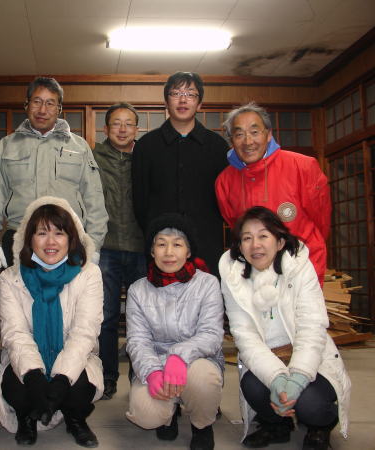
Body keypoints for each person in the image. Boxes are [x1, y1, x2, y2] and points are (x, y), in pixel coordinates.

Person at [219, 206, 350, 449]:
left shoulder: (299, 267)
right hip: (269, 356)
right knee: (253, 386)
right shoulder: (233, 276)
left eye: (263, 236)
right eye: (247, 238)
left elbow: (312, 326)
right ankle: (275, 425)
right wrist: (278, 379)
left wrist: (297, 378)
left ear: (279, 242)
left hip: (308, 356)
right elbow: (244, 336)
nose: (255, 245)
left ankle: (321, 425)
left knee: (309, 403)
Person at [0, 196, 103, 448]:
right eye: (42, 233)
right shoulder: (10, 278)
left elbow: (84, 332)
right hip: (27, 357)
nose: (51, 242)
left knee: (77, 391)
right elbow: (15, 333)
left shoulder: (89, 274)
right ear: (28, 238)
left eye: (59, 233)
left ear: (71, 238)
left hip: (73, 355)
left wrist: (62, 378)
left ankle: (75, 419)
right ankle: (26, 418)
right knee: (19, 388)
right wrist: (34, 375)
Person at [0, 77, 108, 269]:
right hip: (19, 240)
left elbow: (94, 199)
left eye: (50, 103)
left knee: (68, 299)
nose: (42, 110)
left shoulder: (79, 146)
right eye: (37, 102)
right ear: (26, 105)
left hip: (68, 240)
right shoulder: (6, 146)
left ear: (59, 108)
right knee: (19, 298)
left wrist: (94, 245)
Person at [126, 213, 224, 450]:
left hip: (197, 362)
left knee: (204, 380)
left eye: (177, 244)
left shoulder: (208, 283)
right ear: (152, 251)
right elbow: (137, 341)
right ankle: (167, 413)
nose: (169, 252)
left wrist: (179, 355)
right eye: (161, 244)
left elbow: (211, 333)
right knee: (145, 415)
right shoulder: (138, 290)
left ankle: (202, 425)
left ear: (188, 251)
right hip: (156, 364)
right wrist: (152, 372)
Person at [215, 102, 331, 285]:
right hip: (254, 273)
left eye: (255, 132)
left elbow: (321, 222)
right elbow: (235, 225)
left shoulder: (302, 166)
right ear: (232, 141)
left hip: (301, 269)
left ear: (268, 134)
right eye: (239, 134)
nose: (248, 141)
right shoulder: (225, 181)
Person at [132, 72, 229, 274]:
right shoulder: (146, 146)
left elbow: (225, 198)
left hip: (207, 243)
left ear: (200, 103)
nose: (183, 99)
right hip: (161, 246)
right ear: (166, 102)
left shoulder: (217, 146)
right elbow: (140, 201)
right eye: (176, 93)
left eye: (190, 94)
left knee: (207, 302)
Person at [93, 102, 146, 400]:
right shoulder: (93, 157)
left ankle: (140, 375)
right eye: (116, 123)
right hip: (107, 247)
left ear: (136, 129)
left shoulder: (146, 157)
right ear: (106, 129)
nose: (123, 129)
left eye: (129, 124)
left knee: (140, 317)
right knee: (107, 316)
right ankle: (108, 375)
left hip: (140, 247)